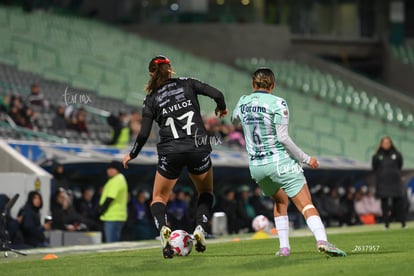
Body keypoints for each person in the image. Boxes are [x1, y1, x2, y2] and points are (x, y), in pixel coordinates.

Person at [232, 67, 346, 257]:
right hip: (279, 162)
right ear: (273, 85)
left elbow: (234, 121)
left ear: (253, 84)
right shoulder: (278, 103)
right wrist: (306, 158)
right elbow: (283, 138)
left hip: (257, 167)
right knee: (306, 204)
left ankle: (284, 248)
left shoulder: (243, 101)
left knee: (280, 200)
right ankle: (323, 241)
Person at [122, 55, 228, 258]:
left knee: (159, 198)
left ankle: (163, 229)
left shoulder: (151, 98)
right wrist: (221, 108)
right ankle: (200, 229)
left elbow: (144, 134)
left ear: (151, 73)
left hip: (171, 152)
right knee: (205, 192)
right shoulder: (188, 83)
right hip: (198, 148)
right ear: (170, 69)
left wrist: (132, 154)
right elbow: (218, 94)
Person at [372, 136, 406, 229]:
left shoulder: (397, 155)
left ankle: (403, 223)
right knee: (385, 205)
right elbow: (374, 168)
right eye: (384, 143)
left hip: (395, 182)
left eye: (388, 142)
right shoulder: (377, 156)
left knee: (399, 203)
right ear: (381, 144)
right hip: (383, 183)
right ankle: (386, 224)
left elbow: (400, 165)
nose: (386, 144)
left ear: (391, 144)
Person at [99, 160, 128, 243]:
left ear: (117, 170)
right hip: (115, 216)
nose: (109, 171)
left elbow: (110, 197)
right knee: (114, 241)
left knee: (111, 243)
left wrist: (101, 209)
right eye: (108, 169)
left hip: (113, 216)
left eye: (112, 169)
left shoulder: (117, 180)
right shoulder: (117, 179)